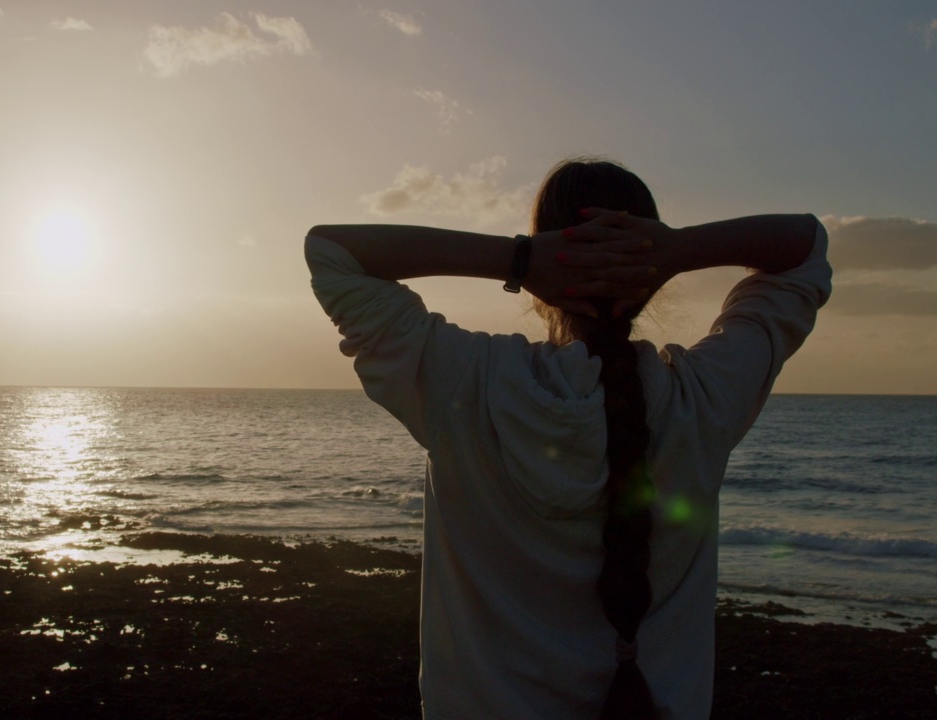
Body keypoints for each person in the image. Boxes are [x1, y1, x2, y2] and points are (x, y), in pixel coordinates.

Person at [305, 159, 831, 719]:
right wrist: (674, 251)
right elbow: (805, 247)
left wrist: (520, 259)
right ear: (649, 278)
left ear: (543, 271)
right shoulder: (704, 398)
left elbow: (333, 252)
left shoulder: (467, 383)